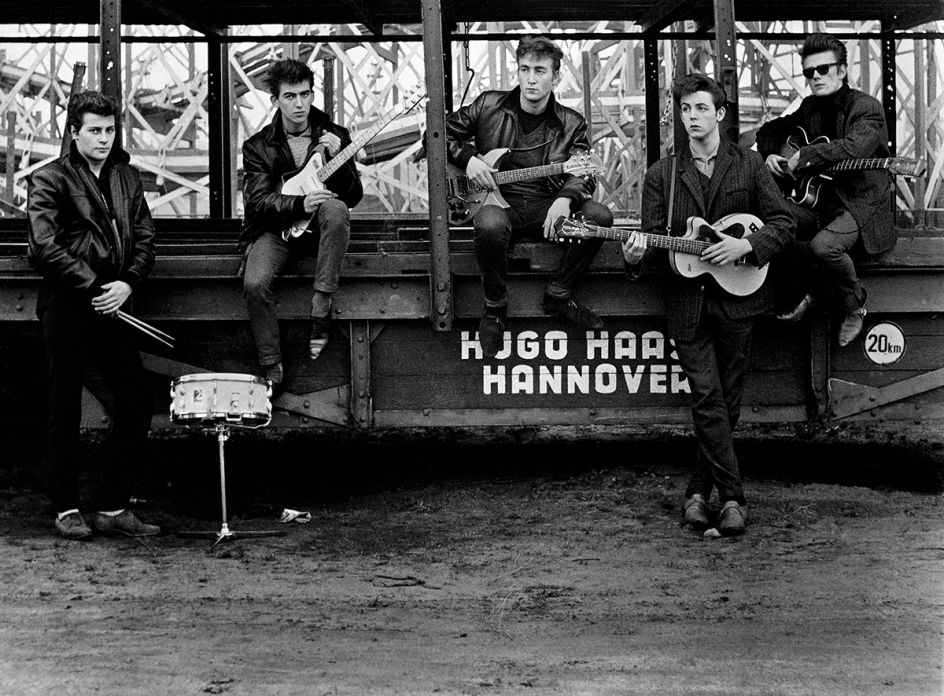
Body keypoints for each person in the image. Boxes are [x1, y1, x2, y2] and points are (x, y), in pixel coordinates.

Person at [622, 74, 794, 535]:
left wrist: (747, 248)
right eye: (685, 109)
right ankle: (733, 499)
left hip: (740, 295)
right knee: (706, 396)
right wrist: (634, 255)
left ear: (719, 114)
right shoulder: (663, 174)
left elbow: (783, 222)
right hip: (687, 303)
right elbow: (653, 239)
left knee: (727, 403)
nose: (692, 117)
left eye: (701, 108)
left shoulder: (749, 165)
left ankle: (697, 493)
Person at [27, 91, 160, 540]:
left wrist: (128, 283)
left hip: (112, 302)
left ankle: (111, 507)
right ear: (74, 132)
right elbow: (43, 246)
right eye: (95, 131)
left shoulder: (127, 177)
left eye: (110, 130)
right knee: (63, 403)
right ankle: (65, 508)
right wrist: (92, 285)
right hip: (69, 302)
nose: (105, 139)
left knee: (137, 397)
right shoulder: (48, 178)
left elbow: (144, 237)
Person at [445, 35, 613, 358]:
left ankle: (559, 292)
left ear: (556, 76)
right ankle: (495, 306)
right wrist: (469, 160)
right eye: (525, 69)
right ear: (517, 72)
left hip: (545, 210)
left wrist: (565, 198)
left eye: (540, 70)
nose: (531, 78)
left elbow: (583, 173)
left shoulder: (572, 124)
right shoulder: (488, 106)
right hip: (497, 204)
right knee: (489, 225)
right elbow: (437, 134)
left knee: (600, 218)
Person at [755, 33, 894, 347]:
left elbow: (855, 148)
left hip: (859, 202)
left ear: (842, 71)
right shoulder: (810, 107)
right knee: (770, 221)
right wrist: (771, 156)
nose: (815, 77)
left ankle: (854, 306)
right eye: (808, 72)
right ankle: (807, 291)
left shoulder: (866, 107)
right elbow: (771, 129)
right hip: (818, 201)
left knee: (823, 248)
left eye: (824, 70)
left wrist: (803, 157)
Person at [240, 58, 363, 389]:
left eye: (305, 95)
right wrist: (298, 203)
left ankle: (321, 302)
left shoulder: (335, 134)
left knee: (336, 209)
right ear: (275, 100)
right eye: (290, 96)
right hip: (279, 230)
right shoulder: (257, 146)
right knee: (255, 283)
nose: (299, 104)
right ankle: (271, 364)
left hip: (321, 230)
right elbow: (256, 202)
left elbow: (353, 196)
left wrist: (342, 162)